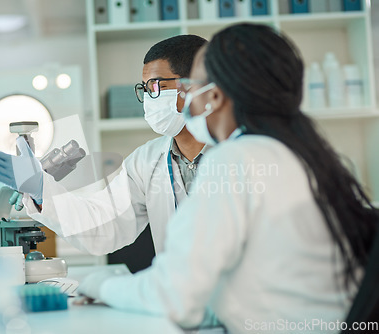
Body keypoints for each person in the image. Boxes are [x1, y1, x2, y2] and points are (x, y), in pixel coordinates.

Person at [76, 23, 379, 332]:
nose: (185, 97)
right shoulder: (302, 152)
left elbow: (175, 297)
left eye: (191, 85)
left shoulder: (237, 159)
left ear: (215, 94)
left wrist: (100, 284)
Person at [0, 35, 210, 271]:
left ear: (195, 84)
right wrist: (42, 191)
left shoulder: (239, 155)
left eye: (156, 85)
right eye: (145, 88)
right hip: (181, 299)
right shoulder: (147, 161)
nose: (149, 98)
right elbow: (101, 226)